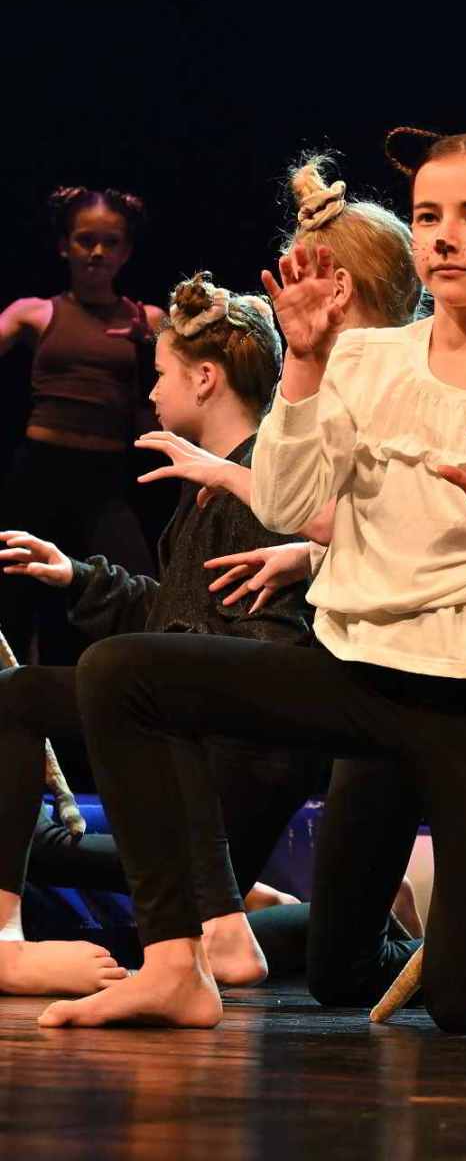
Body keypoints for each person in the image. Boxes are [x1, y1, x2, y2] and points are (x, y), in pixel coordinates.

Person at [36, 122, 466, 1033]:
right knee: (122, 673)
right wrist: (301, 366)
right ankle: (178, 962)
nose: (445, 237)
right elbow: (291, 499)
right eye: (428, 216)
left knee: (458, 1003)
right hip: (354, 675)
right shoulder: (365, 359)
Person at [0, 272, 316, 996]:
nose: (150, 392)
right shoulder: (212, 487)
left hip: (225, 774)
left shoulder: (260, 485)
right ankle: (315, 919)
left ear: (205, 379)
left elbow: (258, 660)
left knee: (19, 696)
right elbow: (178, 620)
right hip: (201, 758)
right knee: (50, 845)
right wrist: (76, 577)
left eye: (162, 374)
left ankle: (7, 936)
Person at [0, 187, 162, 665]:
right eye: (85, 239)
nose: (97, 252)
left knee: (133, 583)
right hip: (39, 472)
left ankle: (122, 687)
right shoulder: (35, 312)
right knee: (15, 594)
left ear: (126, 251)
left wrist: (151, 348)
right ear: (64, 246)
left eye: (111, 242)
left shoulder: (148, 319)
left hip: (105, 479)